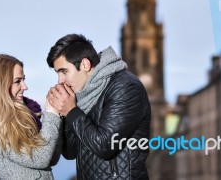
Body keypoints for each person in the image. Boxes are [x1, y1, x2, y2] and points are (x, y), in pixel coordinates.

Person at [46, 34, 151, 179]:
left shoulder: (125, 86)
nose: (60, 80)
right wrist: (63, 113)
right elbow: (70, 152)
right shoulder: (82, 95)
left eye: (64, 71)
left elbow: (105, 146)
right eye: (58, 73)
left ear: (85, 64)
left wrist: (71, 111)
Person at [0, 54, 62, 180]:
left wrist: (59, 117)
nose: (25, 86)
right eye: (18, 81)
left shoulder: (24, 115)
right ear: (0, 84)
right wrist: (52, 113)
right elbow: (40, 159)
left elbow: (51, 158)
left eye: (23, 79)